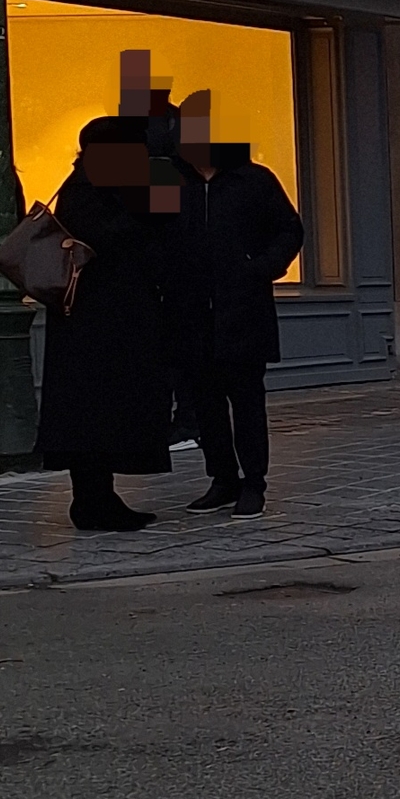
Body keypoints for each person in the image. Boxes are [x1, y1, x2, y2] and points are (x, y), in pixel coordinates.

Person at [33, 115, 175, 531]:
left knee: (101, 413)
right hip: (95, 325)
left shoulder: (101, 186)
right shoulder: (87, 190)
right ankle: (93, 501)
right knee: (94, 413)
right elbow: (110, 238)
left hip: (105, 323)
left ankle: (98, 497)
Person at [163, 125, 304, 515]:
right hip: (189, 312)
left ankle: (254, 483)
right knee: (204, 404)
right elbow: (154, 235)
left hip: (242, 309)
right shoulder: (171, 180)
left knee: (246, 402)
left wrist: (261, 269)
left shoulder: (253, 180)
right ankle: (222, 479)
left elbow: (289, 229)